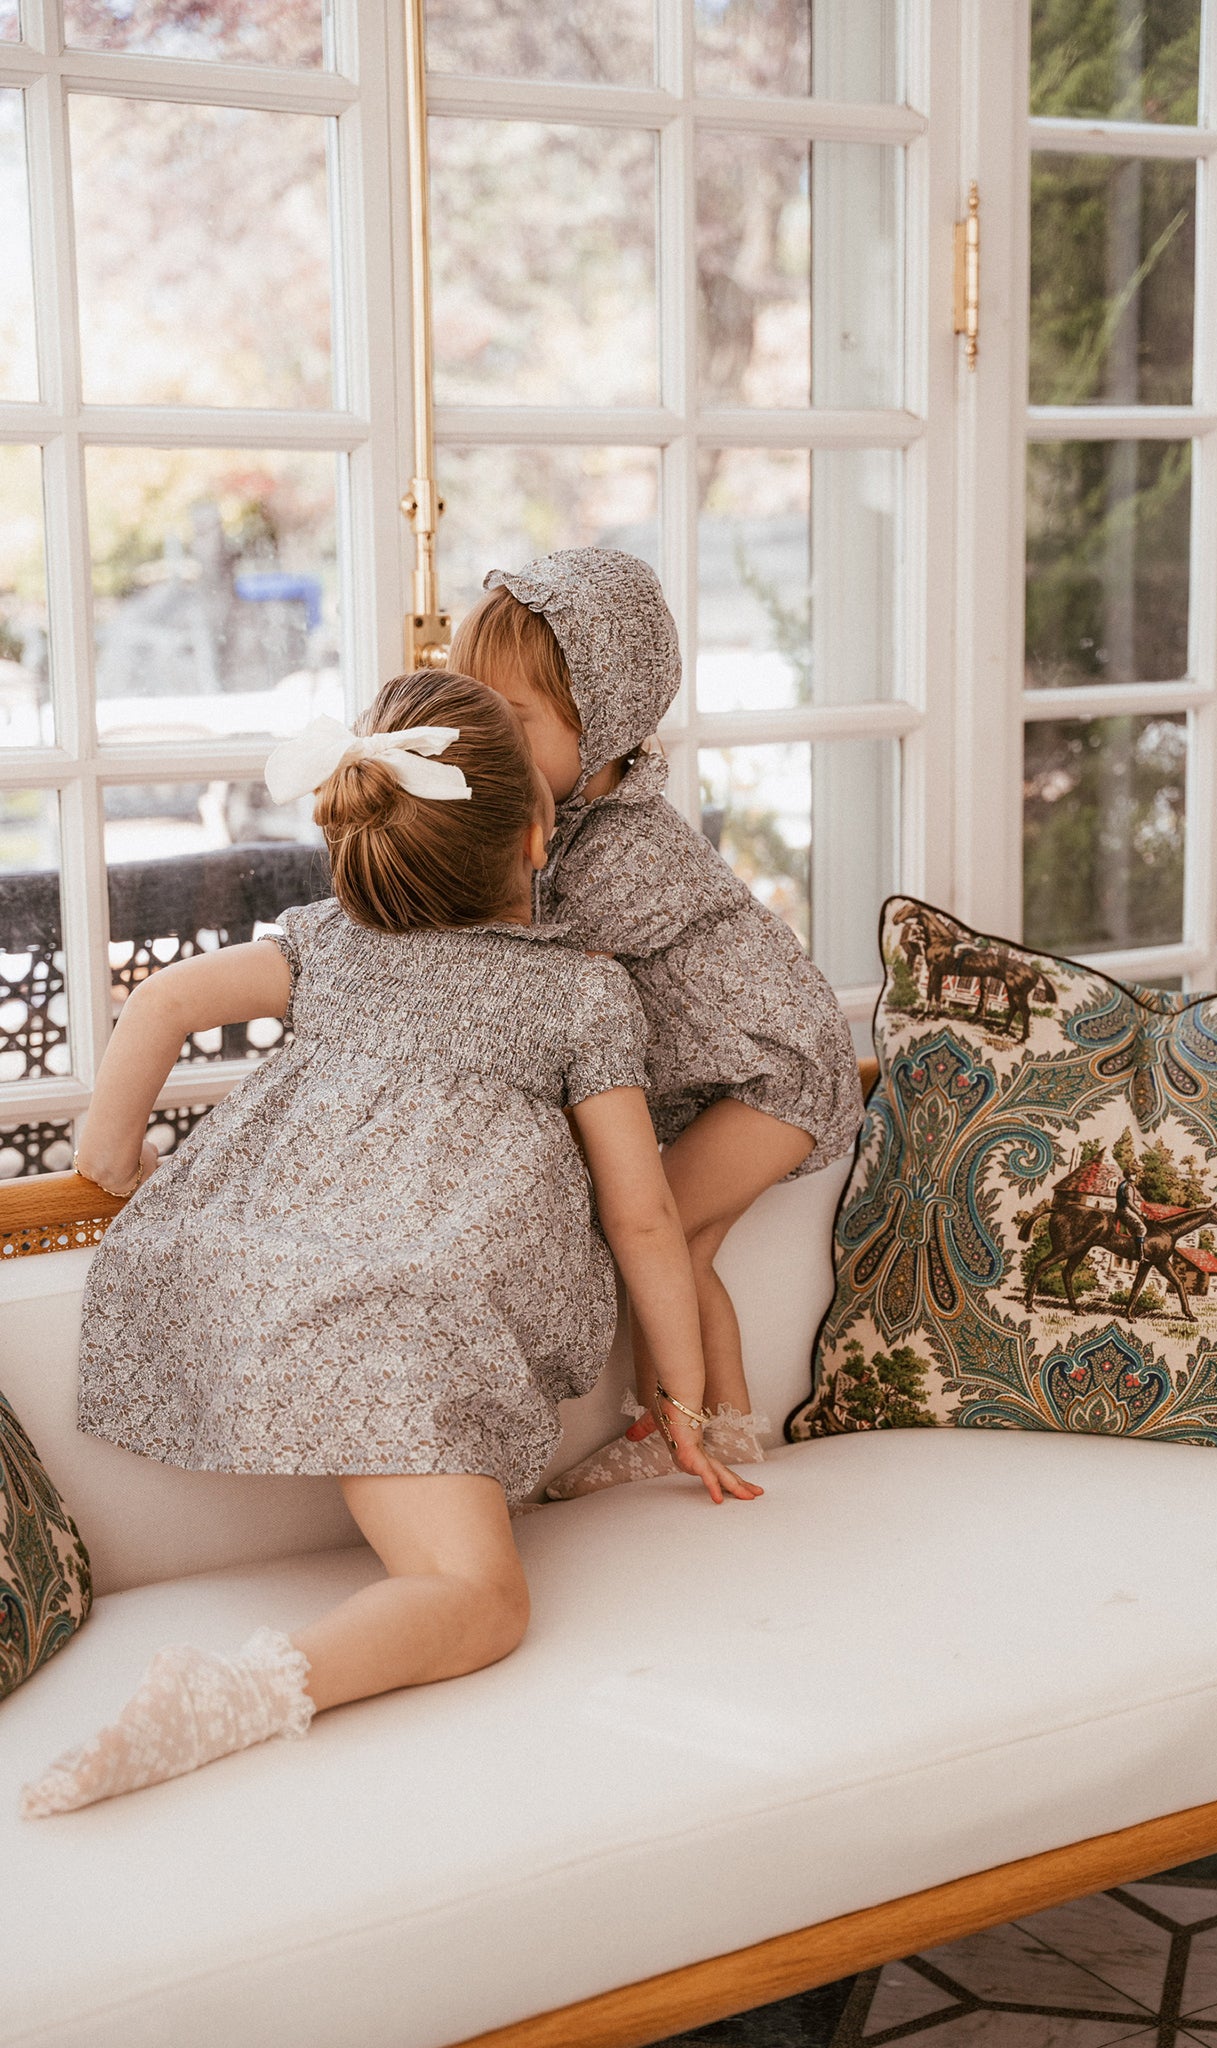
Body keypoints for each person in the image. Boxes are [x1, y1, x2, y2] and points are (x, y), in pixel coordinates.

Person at [21, 669, 758, 1822]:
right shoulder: (581, 993)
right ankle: (243, 1694)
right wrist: (692, 1405)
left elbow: (159, 1000)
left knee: (464, 1548)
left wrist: (110, 1168)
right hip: (399, 1319)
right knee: (481, 1599)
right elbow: (645, 1215)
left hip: (252, 1279)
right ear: (536, 831)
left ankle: (226, 1695)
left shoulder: (328, 944)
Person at [448, 549, 864, 1498]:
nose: (486, 748)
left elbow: (527, 956)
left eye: (508, 724)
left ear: (602, 726)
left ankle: (673, 1427)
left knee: (654, 1230)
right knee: (685, 1244)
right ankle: (725, 1430)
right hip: (754, 1067)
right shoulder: (578, 818)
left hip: (776, 1071)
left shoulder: (624, 845)